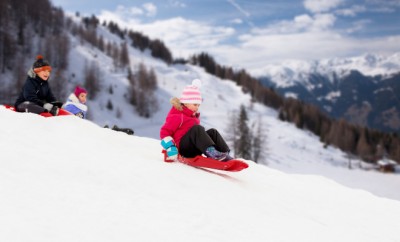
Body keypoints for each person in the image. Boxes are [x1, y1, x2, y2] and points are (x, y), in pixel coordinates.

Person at [160, 79, 234, 162]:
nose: (197, 107)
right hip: (183, 149)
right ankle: (212, 153)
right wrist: (170, 147)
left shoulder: (193, 116)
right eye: (195, 104)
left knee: (213, 132)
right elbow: (164, 132)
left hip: (194, 147)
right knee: (197, 129)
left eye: (198, 105)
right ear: (186, 103)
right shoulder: (177, 116)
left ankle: (225, 154)